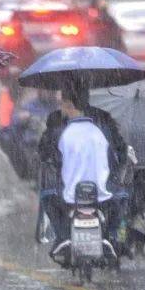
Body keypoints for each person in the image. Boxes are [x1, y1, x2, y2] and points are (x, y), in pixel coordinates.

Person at [37, 78, 129, 260]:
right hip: (105, 194)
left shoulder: (57, 127)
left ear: (68, 103)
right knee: (123, 198)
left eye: (62, 102)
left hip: (67, 194)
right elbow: (120, 154)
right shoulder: (104, 123)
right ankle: (110, 236)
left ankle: (63, 236)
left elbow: (46, 154)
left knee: (47, 196)